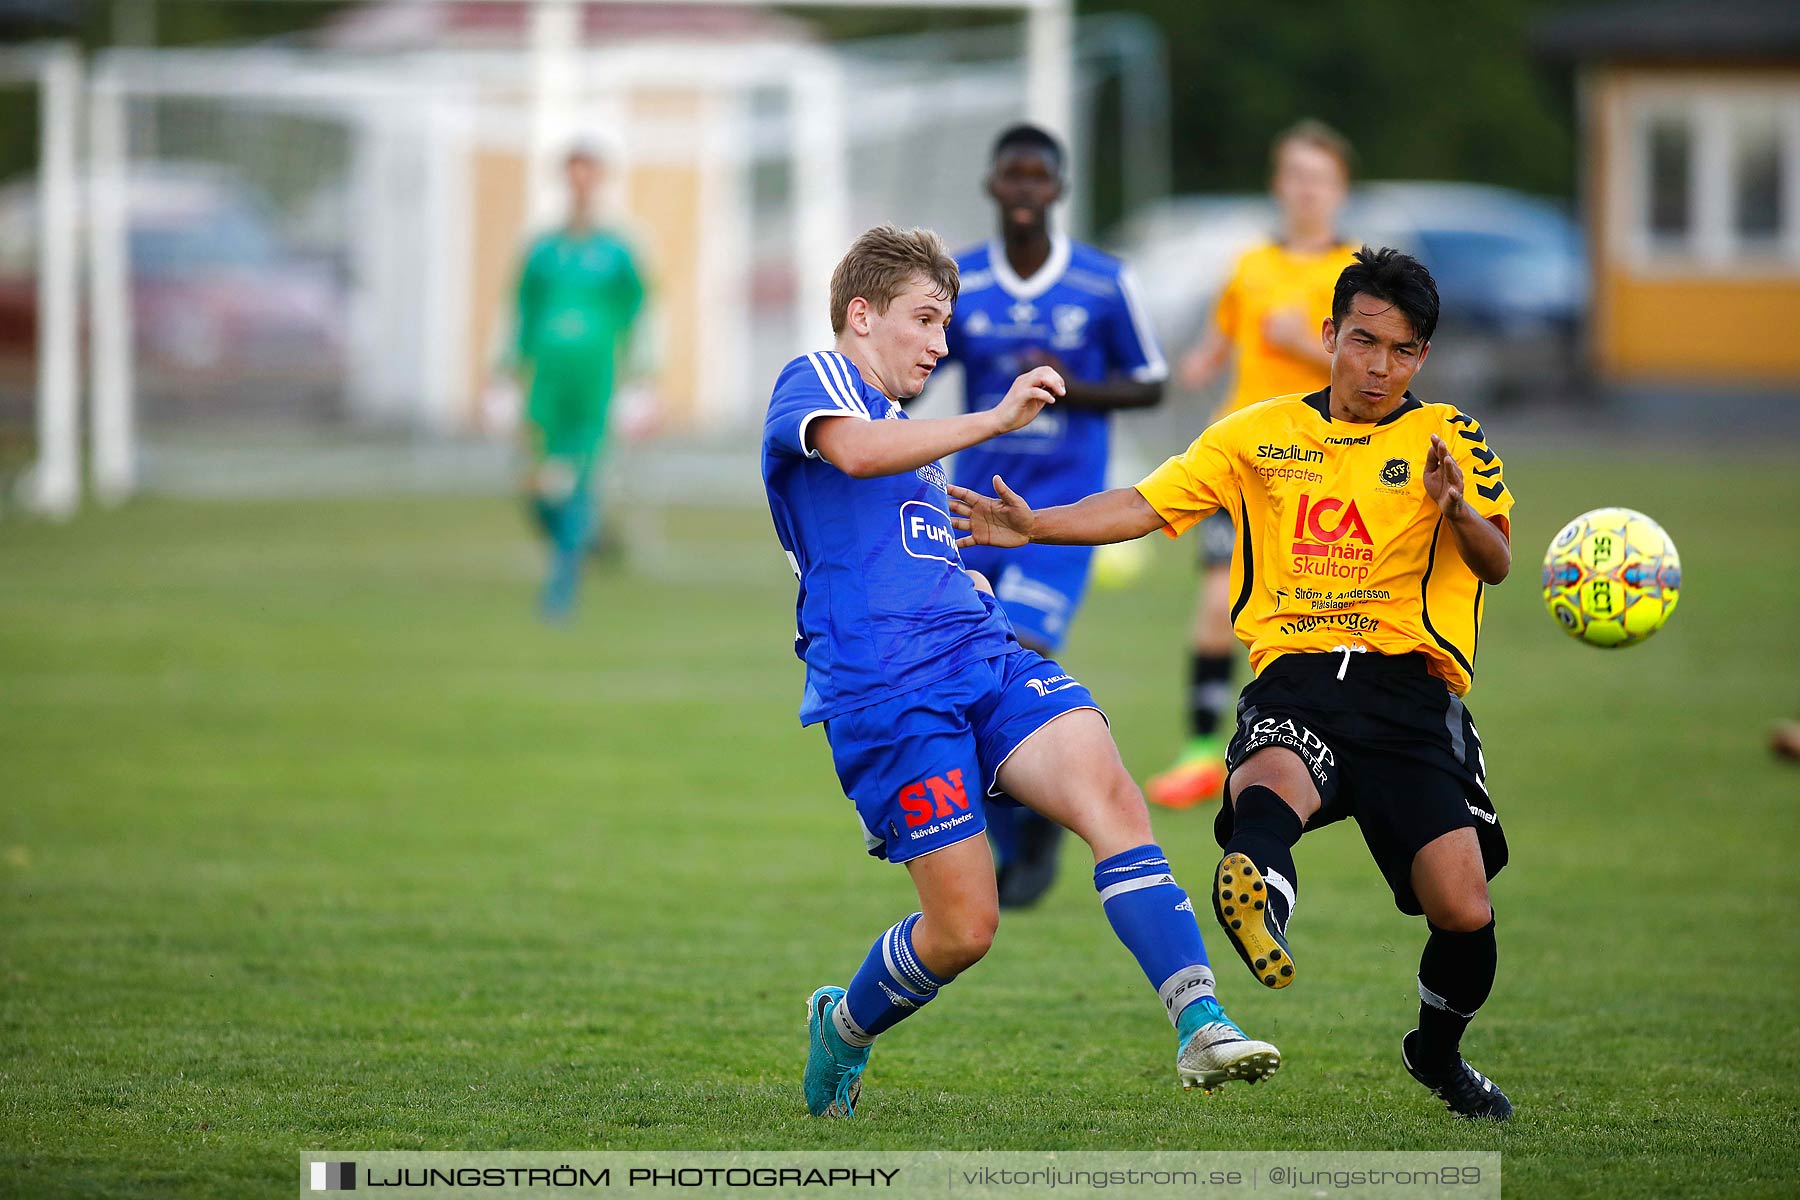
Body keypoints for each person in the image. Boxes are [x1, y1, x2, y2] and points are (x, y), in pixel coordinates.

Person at [951, 247, 1517, 1121]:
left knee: (1463, 909)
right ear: (1330, 334)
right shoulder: (1257, 433)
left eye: (1402, 351)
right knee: (1268, 788)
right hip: (1295, 681)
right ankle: (1259, 900)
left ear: (1422, 359)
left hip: (1409, 696)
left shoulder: (1448, 437)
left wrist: (1458, 511)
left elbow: (1498, 560)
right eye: (1364, 341)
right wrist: (1034, 529)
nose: (1379, 366)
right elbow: (1145, 501)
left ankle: (1435, 1053)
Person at [761, 224, 1278, 1118]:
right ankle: (842, 1026)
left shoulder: (914, 438)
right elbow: (851, 453)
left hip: (984, 655)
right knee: (965, 930)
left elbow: (904, 531)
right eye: (924, 319)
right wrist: (997, 417)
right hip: (888, 695)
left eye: (945, 323)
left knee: (1111, 793)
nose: (939, 342)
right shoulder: (817, 380)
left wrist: (971, 565)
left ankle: (1201, 1022)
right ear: (860, 313)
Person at [942, 123, 1167, 908]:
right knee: (962, 675)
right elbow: (918, 369)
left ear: (1060, 188)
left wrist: (1075, 384)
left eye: (1041, 176)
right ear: (994, 186)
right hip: (973, 513)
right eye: (1015, 176)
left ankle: (1036, 830)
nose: (1028, 189)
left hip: (1057, 517)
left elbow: (1151, 382)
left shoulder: (1104, 284)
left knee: (1019, 651)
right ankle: (1019, 833)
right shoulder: (962, 280)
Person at [1150, 121, 1357, 809]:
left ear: (1339, 190)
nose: (1306, 191)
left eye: (1318, 179)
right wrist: (1202, 360)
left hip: (1317, 472)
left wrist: (1309, 344)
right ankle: (1202, 750)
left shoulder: (1355, 274)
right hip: (1241, 460)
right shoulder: (1251, 264)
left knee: (1311, 619)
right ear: (1278, 185)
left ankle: (1320, 751)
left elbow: (1377, 368)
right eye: (1295, 176)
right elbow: (1224, 333)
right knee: (1216, 602)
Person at [509, 143, 647, 619]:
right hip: (546, 381)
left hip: (595, 381)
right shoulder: (542, 251)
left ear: (600, 183)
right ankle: (584, 539)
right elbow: (521, 313)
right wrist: (505, 375)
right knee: (535, 487)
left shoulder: (617, 253)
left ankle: (561, 588)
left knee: (581, 481)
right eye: (574, 177)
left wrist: (643, 380)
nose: (581, 186)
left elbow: (640, 316)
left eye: (589, 177)